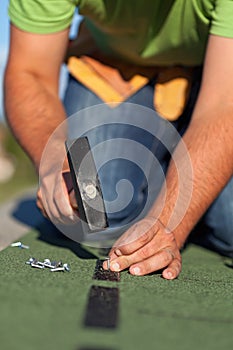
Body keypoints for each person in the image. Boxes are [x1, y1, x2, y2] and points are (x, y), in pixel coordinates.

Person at [4, 0, 233, 280]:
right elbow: (31, 72)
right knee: (94, 208)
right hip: (114, 68)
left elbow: (223, 104)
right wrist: (53, 159)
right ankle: (161, 172)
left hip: (218, 75)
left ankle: (179, 177)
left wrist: (170, 220)